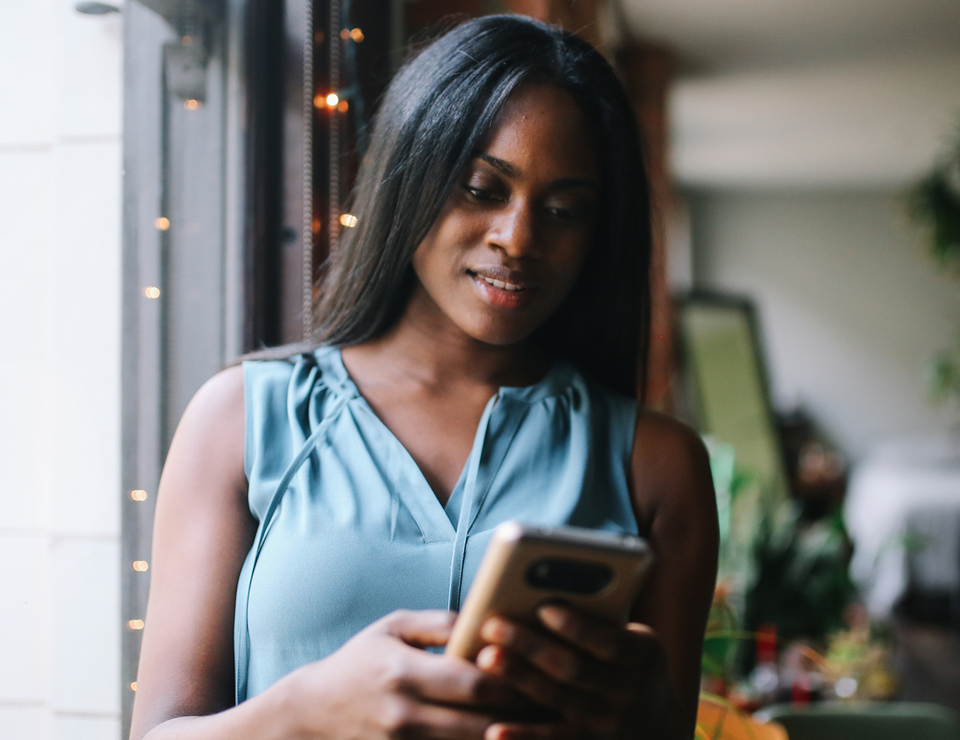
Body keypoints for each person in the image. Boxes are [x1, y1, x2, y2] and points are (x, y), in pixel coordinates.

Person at [130, 14, 719, 740]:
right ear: (411, 175)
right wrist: (303, 711)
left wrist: (649, 720)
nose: (518, 238)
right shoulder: (240, 419)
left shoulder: (656, 467)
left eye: (564, 210)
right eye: (481, 188)